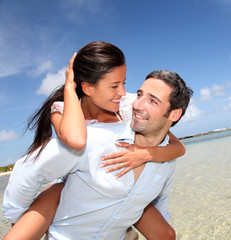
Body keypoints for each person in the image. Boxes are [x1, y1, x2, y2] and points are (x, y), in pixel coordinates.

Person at [2, 41, 190, 239]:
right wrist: (69, 87)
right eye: (114, 85)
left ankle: (122, 230)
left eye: (123, 83)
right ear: (87, 88)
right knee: (56, 197)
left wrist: (146, 154)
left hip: (110, 187)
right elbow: (77, 141)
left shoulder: (126, 104)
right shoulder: (63, 112)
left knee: (159, 227)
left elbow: (174, 143)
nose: (125, 93)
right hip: (70, 182)